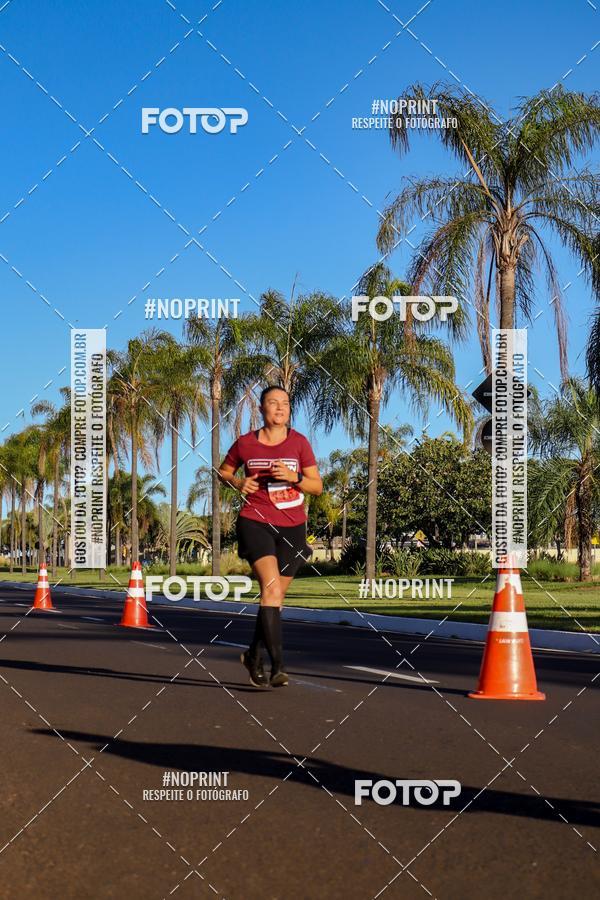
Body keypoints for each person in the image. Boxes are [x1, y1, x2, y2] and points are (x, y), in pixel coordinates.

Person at [218, 386, 323, 687]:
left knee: (274, 598)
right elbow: (223, 472)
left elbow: (317, 486)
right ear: (261, 409)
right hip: (255, 521)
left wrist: (295, 478)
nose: (280, 408)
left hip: (293, 526)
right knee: (271, 589)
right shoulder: (245, 444)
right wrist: (238, 482)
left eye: (285, 404)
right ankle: (277, 666)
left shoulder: (299, 443)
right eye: (273, 403)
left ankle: (252, 654)